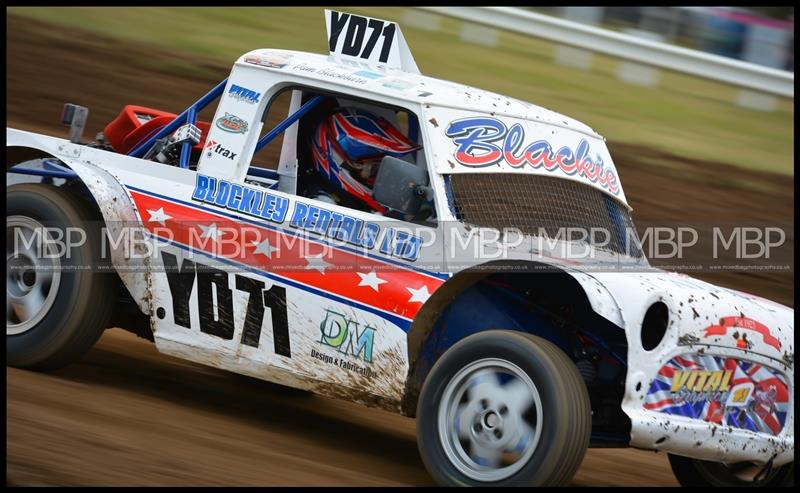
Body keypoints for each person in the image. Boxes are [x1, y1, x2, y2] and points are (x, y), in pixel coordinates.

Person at [307, 107, 421, 214]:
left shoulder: (356, 202)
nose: (380, 175)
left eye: (382, 165)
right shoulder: (323, 204)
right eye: (375, 168)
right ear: (339, 162)